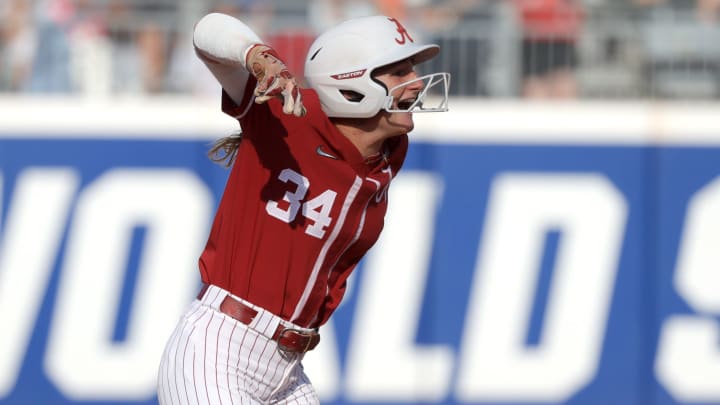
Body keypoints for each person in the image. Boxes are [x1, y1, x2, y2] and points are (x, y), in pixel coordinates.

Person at [156, 11, 450, 404]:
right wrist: (255, 54)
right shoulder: (286, 114)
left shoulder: (388, 155)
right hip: (219, 350)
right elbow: (208, 30)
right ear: (352, 82)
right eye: (399, 73)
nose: (415, 83)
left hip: (287, 366)